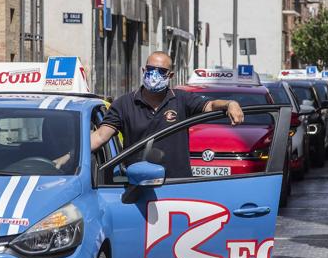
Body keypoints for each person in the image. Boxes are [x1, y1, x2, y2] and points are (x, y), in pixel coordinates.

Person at [91, 51, 244, 177]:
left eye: (161, 71)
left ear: (170, 76)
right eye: (150, 69)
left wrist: (230, 104)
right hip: (139, 185)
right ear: (144, 71)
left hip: (177, 184)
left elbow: (210, 105)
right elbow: (100, 137)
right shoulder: (123, 104)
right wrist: (72, 155)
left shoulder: (182, 99)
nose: (154, 75)